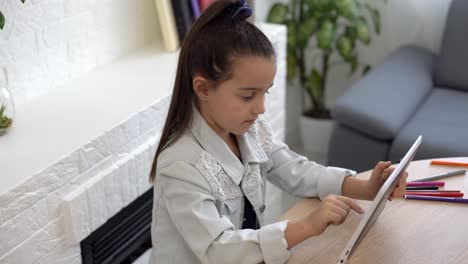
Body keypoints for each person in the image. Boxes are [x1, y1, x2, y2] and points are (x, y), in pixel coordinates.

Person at [149, 0, 408, 263]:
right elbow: (219, 250)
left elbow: (295, 169)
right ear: (203, 89)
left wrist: (366, 188)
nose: (260, 108)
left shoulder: (248, 130)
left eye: (265, 92)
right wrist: (306, 226)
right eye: (248, 96)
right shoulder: (180, 165)